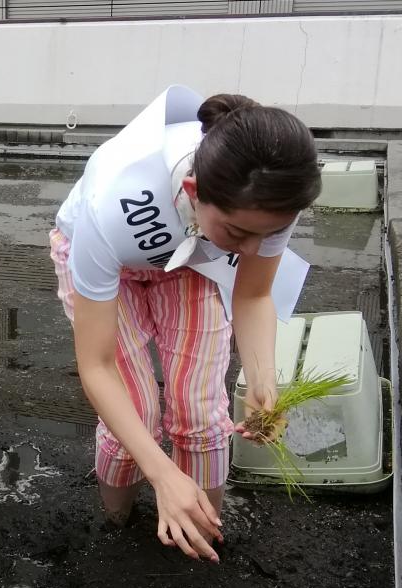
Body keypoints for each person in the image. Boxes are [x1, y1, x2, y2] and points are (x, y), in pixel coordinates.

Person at [49, 86, 321, 563]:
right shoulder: (112, 203)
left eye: (269, 234)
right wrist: (162, 473)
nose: (253, 251)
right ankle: (116, 529)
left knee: (200, 412)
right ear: (194, 193)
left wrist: (262, 378)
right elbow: (96, 365)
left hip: (191, 258)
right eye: (239, 233)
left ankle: (200, 541)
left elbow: (254, 292)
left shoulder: (273, 195)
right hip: (106, 258)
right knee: (135, 415)